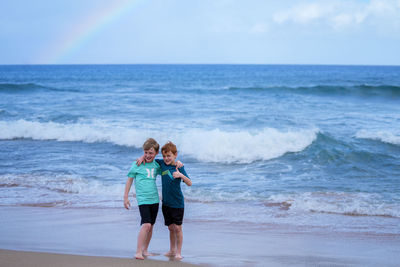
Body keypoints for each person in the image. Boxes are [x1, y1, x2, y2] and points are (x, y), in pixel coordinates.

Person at [144, 141, 192, 260]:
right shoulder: (162, 164)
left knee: (178, 228)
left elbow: (189, 183)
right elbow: (150, 158)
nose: (166, 158)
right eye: (164, 156)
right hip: (166, 204)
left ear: (175, 155)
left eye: (169, 156)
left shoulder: (179, 167)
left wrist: (181, 175)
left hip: (177, 203)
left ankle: (178, 252)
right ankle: (172, 250)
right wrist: (141, 157)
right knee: (170, 227)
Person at [123, 138, 161, 260]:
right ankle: (138, 251)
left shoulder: (157, 165)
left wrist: (178, 163)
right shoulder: (137, 164)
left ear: (156, 153)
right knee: (146, 225)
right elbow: (129, 180)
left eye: (151, 153)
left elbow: (168, 164)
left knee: (151, 226)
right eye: (145, 152)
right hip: (143, 199)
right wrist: (125, 197)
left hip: (154, 199)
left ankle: (145, 250)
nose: (148, 155)